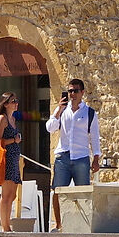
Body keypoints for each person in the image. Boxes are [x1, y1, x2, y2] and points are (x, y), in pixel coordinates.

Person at [47, 77, 101, 225]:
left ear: (82, 92)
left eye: (76, 91)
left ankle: (82, 225)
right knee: (57, 191)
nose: (72, 94)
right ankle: (58, 224)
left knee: (83, 193)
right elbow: (50, 128)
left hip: (81, 157)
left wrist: (96, 158)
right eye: (70, 91)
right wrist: (58, 110)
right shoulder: (62, 110)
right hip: (63, 156)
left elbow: (94, 137)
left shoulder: (89, 113)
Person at [0, 92, 24, 229]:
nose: (16, 103)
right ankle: (5, 227)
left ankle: (7, 224)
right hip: (5, 158)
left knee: (12, 195)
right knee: (6, 195)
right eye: (12, 101)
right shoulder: (2, 119)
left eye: (16, 100)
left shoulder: (13, 119)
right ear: (5, 104)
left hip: (13, 158)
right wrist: (14, 140)